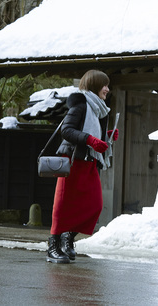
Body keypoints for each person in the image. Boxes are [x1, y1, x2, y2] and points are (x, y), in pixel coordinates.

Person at [46, 69, 118, 264]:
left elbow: (90, 131)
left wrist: (106, 136)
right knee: (62, 205)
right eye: (104, 85)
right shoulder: (80, 104)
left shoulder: (98, 108)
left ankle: (68, 239)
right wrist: (91, 140)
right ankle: (53, 246)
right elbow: (67, 130)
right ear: (94, 85)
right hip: (72, 161)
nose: (107, 89)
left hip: (90, 162)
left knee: (94, 205)